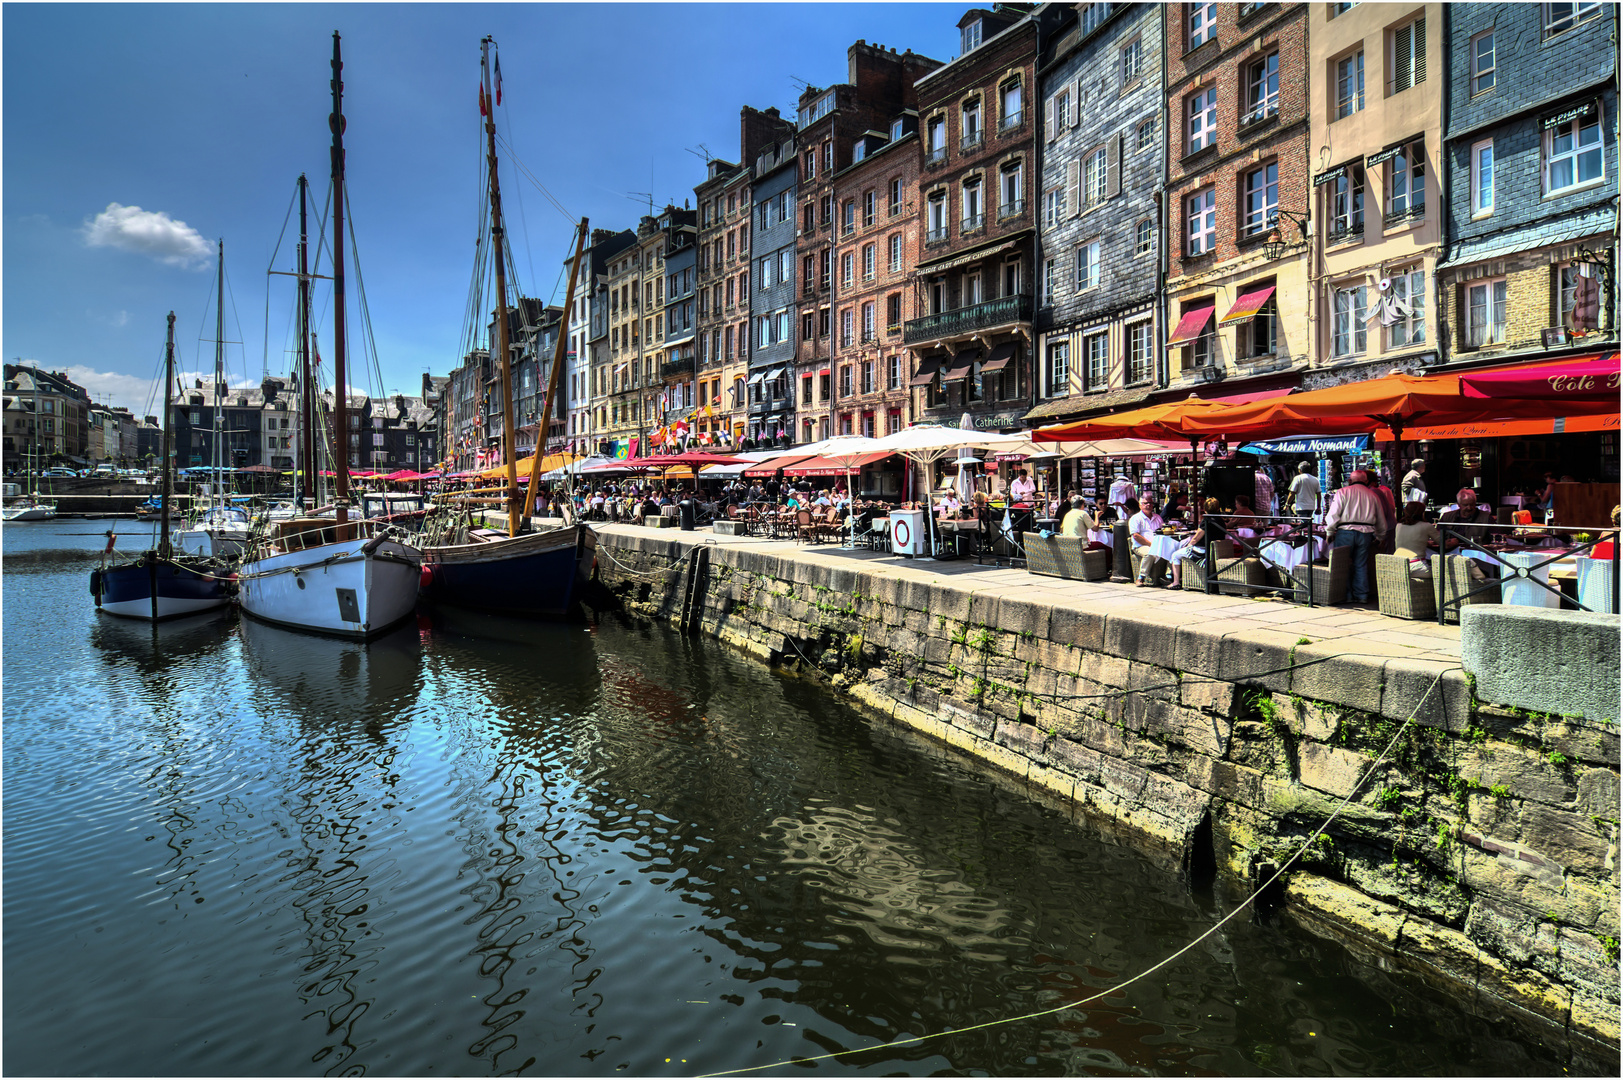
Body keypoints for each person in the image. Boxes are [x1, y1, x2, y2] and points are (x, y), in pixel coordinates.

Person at [1325, 469, 1390, 604]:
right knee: (1360, 564)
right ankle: (1362, 595)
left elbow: (1334, 514)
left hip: (1345, 532)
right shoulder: (1373, 495)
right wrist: (1380, 536)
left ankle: (1346, 595)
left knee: (1342, 564)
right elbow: (1381, 519)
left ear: (1350, 480)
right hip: (1365, 533)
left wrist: (1330, 531)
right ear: (1366, 481)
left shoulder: (1343, 492)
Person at [1169, 497, 1228, 589]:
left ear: (1205, 508)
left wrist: (1189, 546)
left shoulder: (1207, 520)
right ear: (1217, 508)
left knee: (1175, 555)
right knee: (1183, 550)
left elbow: (1196, 539)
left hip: (1202, 551)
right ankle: (1181, 577)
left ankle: (1175, 582)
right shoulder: (1220, 520)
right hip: (1214, 550)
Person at [1129, 493, 1168, 587]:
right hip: (1141, 546)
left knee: (1172, 549)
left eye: (1150, 503)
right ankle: (1141, 577)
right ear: (1140, 505)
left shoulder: (1157, 517)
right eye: (1146, 503)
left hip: (1157, 544)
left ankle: (1168, 576)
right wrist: (1151, 544)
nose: (1148, 505)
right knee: (1149, 553)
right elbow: (1136, 536)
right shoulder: (1135, 518)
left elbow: (1162, 531)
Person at [1392, 501, 1439, 579]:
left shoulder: (1398, 525)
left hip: (1398, 566)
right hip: (1417, 567)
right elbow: (1443, 543)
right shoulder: (1426, 526)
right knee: (1441, 572)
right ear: (1422, 513)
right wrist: (1454, 541)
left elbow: (1409, 540)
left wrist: (1425, 543)